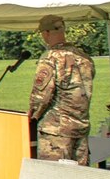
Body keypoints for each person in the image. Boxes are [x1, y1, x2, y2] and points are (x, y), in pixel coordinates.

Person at [29, 14, 94, 166]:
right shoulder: (83, 57)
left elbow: (42, 95)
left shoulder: (50, 58)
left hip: (56, 130)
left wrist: (32, 114)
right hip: (81, 127)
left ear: (46, 33)